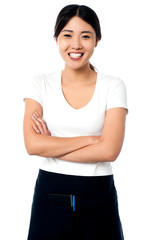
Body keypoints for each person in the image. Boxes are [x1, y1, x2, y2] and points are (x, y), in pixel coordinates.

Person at [23, 4, 128, 240]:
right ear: (57, 39)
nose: (76, 45)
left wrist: (51, 144)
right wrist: (92, 141)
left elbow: (110, 150)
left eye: (86, 36)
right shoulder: (39, 84)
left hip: (99, 195)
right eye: (67, 35)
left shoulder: (113, 86)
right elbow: (32, 145)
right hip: (51, 192)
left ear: (97, 40)